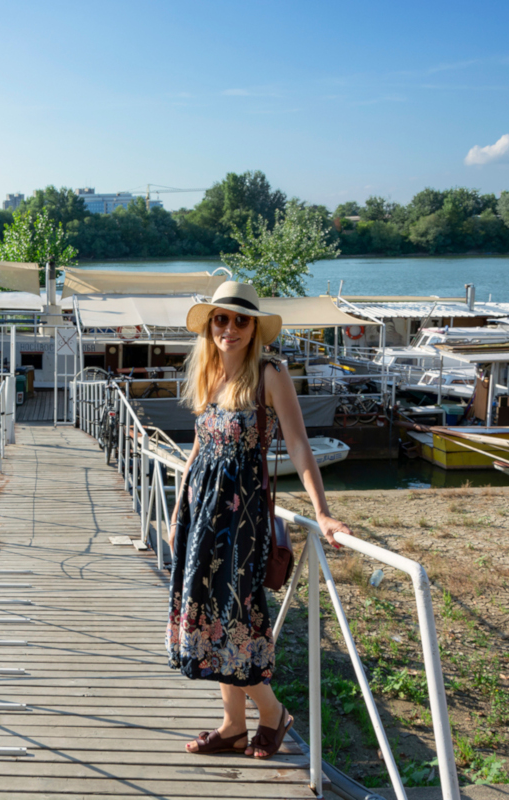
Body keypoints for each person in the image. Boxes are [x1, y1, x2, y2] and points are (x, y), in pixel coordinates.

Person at [165, 280, 353, 758]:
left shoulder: (270, 374)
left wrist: (323, 514)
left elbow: (298, 445)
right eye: (221, 319)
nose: (230, 328)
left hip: (240, 520)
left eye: (240, 320)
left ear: (254, 328)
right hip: (200, 516)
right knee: (208, 616)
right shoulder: (210, 374)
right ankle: (232, 726)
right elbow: (197, 450)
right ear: (211, 325)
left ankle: (272, 715)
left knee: (235, 619)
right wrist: (176, 509)